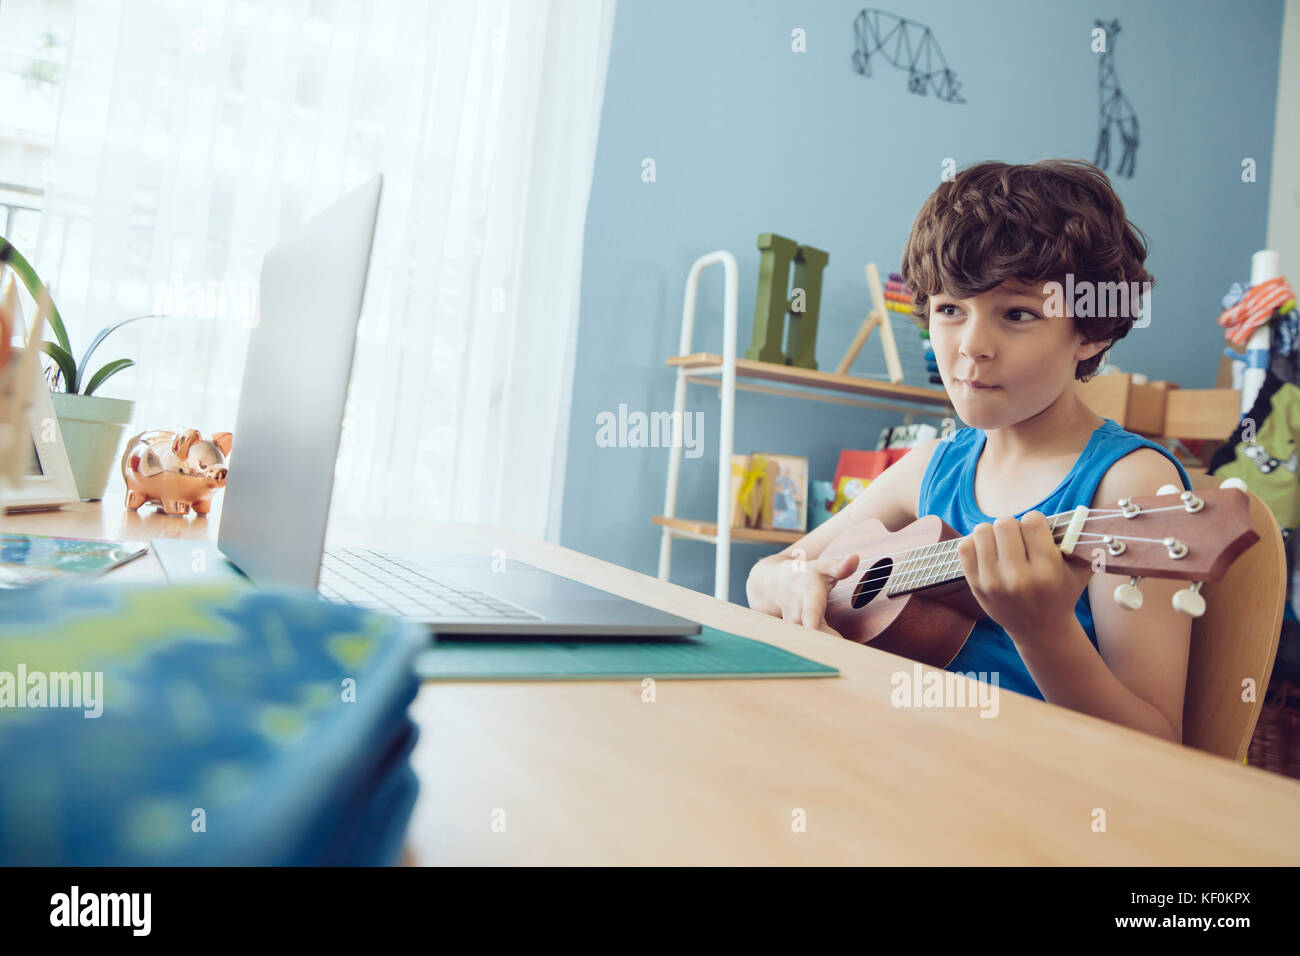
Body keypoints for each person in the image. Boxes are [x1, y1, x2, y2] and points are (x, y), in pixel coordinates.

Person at [746, 159, 1193, 742]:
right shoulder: (935, 465)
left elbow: (1158, 745)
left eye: (1018, 314)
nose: (972, 346)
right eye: (950, 309)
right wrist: (791, 585)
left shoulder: (1130, 487)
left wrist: (1045, 630)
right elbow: (765, 576)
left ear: (1091, 331)